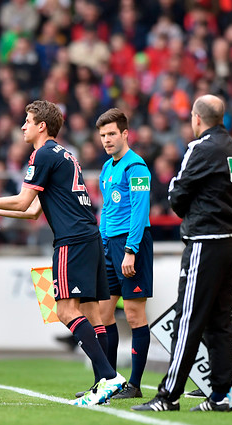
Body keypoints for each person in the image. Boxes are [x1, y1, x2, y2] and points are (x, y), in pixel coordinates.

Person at [0, 100, 125, 406]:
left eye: (27, 121)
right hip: (89, 236)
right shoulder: (64, 154)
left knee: (64, 311)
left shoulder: (42, 154)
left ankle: (109, 377)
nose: (22, 126)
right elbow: (33, 211)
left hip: (71, 240)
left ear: (41, 126)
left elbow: (22, 202)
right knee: (92, 313)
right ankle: (103, 384)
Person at [132, 95, 232, 412]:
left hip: (205, 241)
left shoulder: (200, 149)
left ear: (197, 118)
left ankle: (168, 395)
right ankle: (220, 396)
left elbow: (176, 195)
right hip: (231, 245)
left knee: (187, 318)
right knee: (220, 321)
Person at [93, 108, 153, 399]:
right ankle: (109, 380)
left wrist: (130, 250)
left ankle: (135, 384)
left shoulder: (137, 167)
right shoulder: (107, 168)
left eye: (112, 134)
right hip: (108, 246)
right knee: (103, 313)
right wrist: (100, 242)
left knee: (133, 313)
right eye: (103, 135)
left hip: (131, 246)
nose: (106, 139)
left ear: (125, 134)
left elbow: (140, 213)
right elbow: (107, 210)